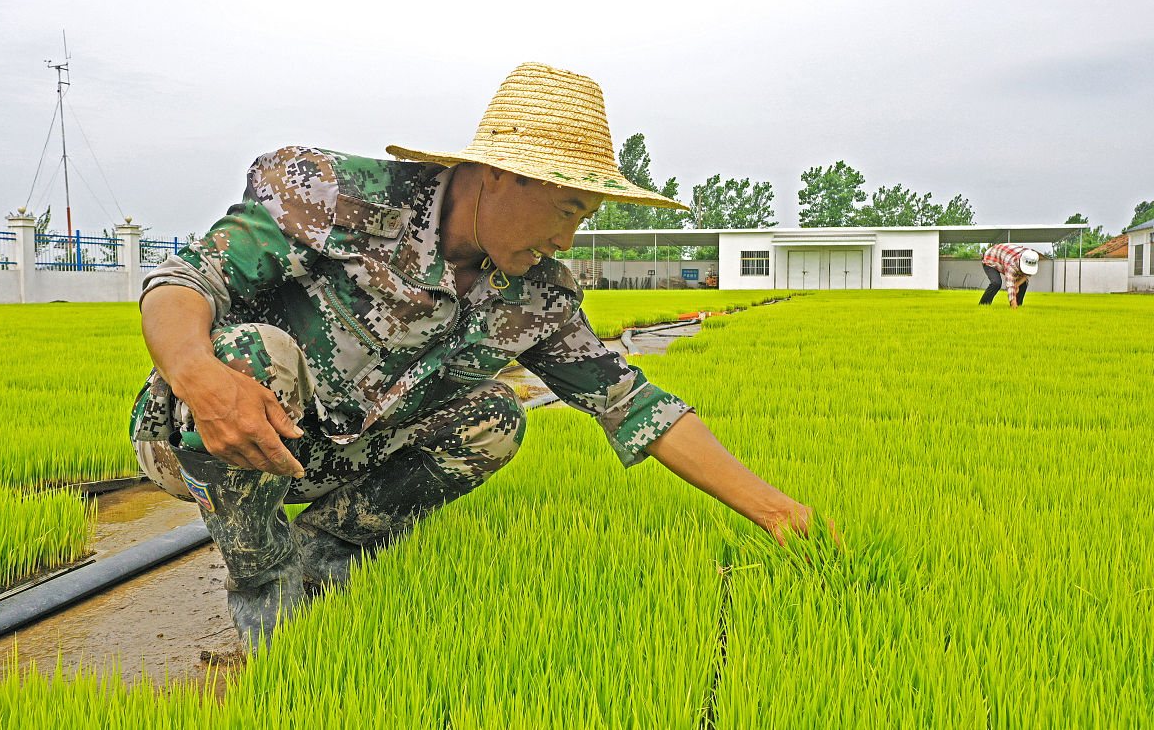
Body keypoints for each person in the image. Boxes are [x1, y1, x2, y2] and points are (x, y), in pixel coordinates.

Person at [130, 62, 829, 649]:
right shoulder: (332, 194)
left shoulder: (536, 294)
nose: (567, 240)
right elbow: (184, 281)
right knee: (252, 353)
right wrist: (199, 377)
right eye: (568, 209)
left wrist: (778, 513)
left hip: (341, 455)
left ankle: (329, 554)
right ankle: (268, 591)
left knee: (496, 415)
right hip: (209, 430)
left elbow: (635, 405)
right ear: (499, 175)